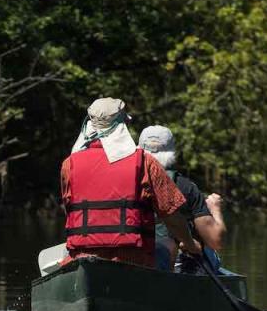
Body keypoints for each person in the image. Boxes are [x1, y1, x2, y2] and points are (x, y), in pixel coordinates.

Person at [60, 98, 201, 268]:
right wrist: (190, 244)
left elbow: (70, 209)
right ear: (122, 125)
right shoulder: (145, 162)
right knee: (168, 246)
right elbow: (171, 216)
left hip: (82, 258)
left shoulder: (69, 164)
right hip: (134, 260)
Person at [138, 125, 227, 273]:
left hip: (131, 257)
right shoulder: (186, 187)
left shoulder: (126, 181)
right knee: (210, 255)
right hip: (167, 264)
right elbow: (216, 240)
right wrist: (215, 209)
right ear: (173, 152)